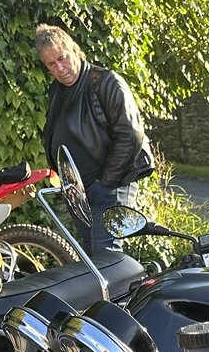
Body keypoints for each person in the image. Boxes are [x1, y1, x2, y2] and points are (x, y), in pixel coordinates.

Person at [36, 25, 154, 257]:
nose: (60, 68)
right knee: (90, 255)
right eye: (51, 64)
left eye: (62, 58)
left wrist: (105, 182)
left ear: (74, 49)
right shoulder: (57, 90)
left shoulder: (106, 82)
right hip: (78, 191)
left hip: (111, 185)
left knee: (105, 254)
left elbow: (131, 134)